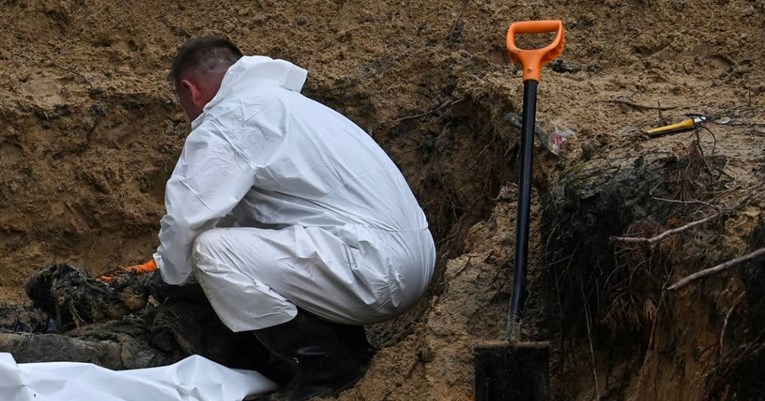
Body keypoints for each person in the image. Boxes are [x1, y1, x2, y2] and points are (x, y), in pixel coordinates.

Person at [122, 36, 436, 400]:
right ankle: (350, 349)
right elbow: (245, 221)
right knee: (266, 239)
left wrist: (171, 275)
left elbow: (186, 218)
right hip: (412, 261)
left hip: (375, 270)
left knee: (210, 252)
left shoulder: (231, 118)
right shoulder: (290, 107)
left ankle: (327, 369)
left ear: (189, 90)